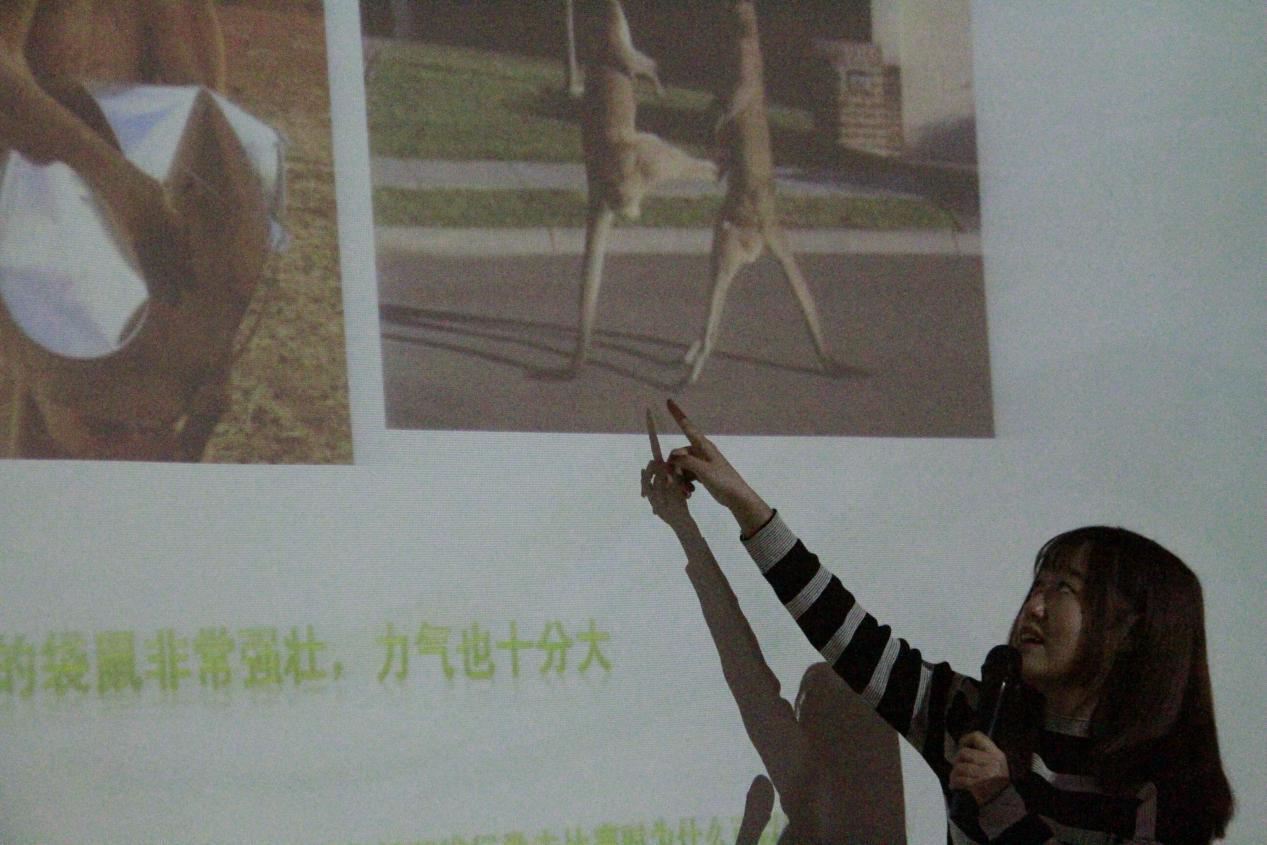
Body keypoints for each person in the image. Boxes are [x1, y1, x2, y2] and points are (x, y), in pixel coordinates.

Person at [642, 400, 1234, 844]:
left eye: (1066, 589)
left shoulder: (1167, 790)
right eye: (1039, 583)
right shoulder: (970, 718)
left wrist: (998, 800)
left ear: (1129, 630)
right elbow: (845, 631)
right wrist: (743, 503)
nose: (1035, 605)